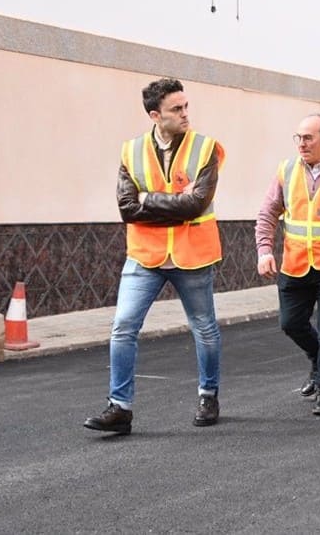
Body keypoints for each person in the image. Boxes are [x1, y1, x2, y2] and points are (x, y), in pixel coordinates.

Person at [84, 78, 226, 434]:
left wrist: (149, 198)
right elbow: (127, 208)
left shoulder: (206, 148)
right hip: (145, 256)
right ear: (154, 115)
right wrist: (173, 204)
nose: (185, 114)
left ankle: (208, 395)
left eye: (186, 106)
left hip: (192, 255)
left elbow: (196, 204)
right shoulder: (131, 151)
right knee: (123, 327)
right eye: (176, 109)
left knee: (204, 329)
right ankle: (120, 408)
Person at [255, 114, 320, 416]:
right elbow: (267, 213)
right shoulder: (287, 170)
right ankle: (317, 359)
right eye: (298, 137)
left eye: (308, 138)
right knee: (290, 323)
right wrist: (264, 251)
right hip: (294, 263)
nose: (301, 144)